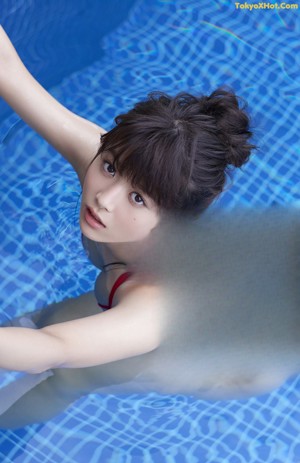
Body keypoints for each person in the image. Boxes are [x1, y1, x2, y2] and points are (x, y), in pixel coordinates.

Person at [0, 26, 255, 426]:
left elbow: (51, 349)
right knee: (38, 326)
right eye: (110, 167)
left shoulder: (154, 304)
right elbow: (8, 71)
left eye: (138, 199)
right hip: (118, 289)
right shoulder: (106, 161)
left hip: (156, 351)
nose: (104, 197)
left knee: (61, 375)